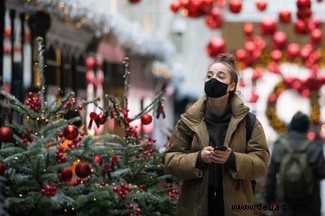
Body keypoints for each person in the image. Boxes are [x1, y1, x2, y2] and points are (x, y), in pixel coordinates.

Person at [164, 53, 270, 216]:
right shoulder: (189, 121)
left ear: (231, 86)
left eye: (221, 76)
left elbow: (261, 163)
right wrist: (198, 158)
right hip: (195, 209)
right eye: (209, 75)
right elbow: (170, 159)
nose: (213, 80)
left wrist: (233, 159)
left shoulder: (249, 122)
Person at [265, 111, 325, 216]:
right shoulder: (315, 147)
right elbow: (322, 173)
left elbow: (271, 176)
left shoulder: (279, 146)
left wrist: (270, 199)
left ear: (291, 126)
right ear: (306, 127)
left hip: (284, 203)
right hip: (310, 205)